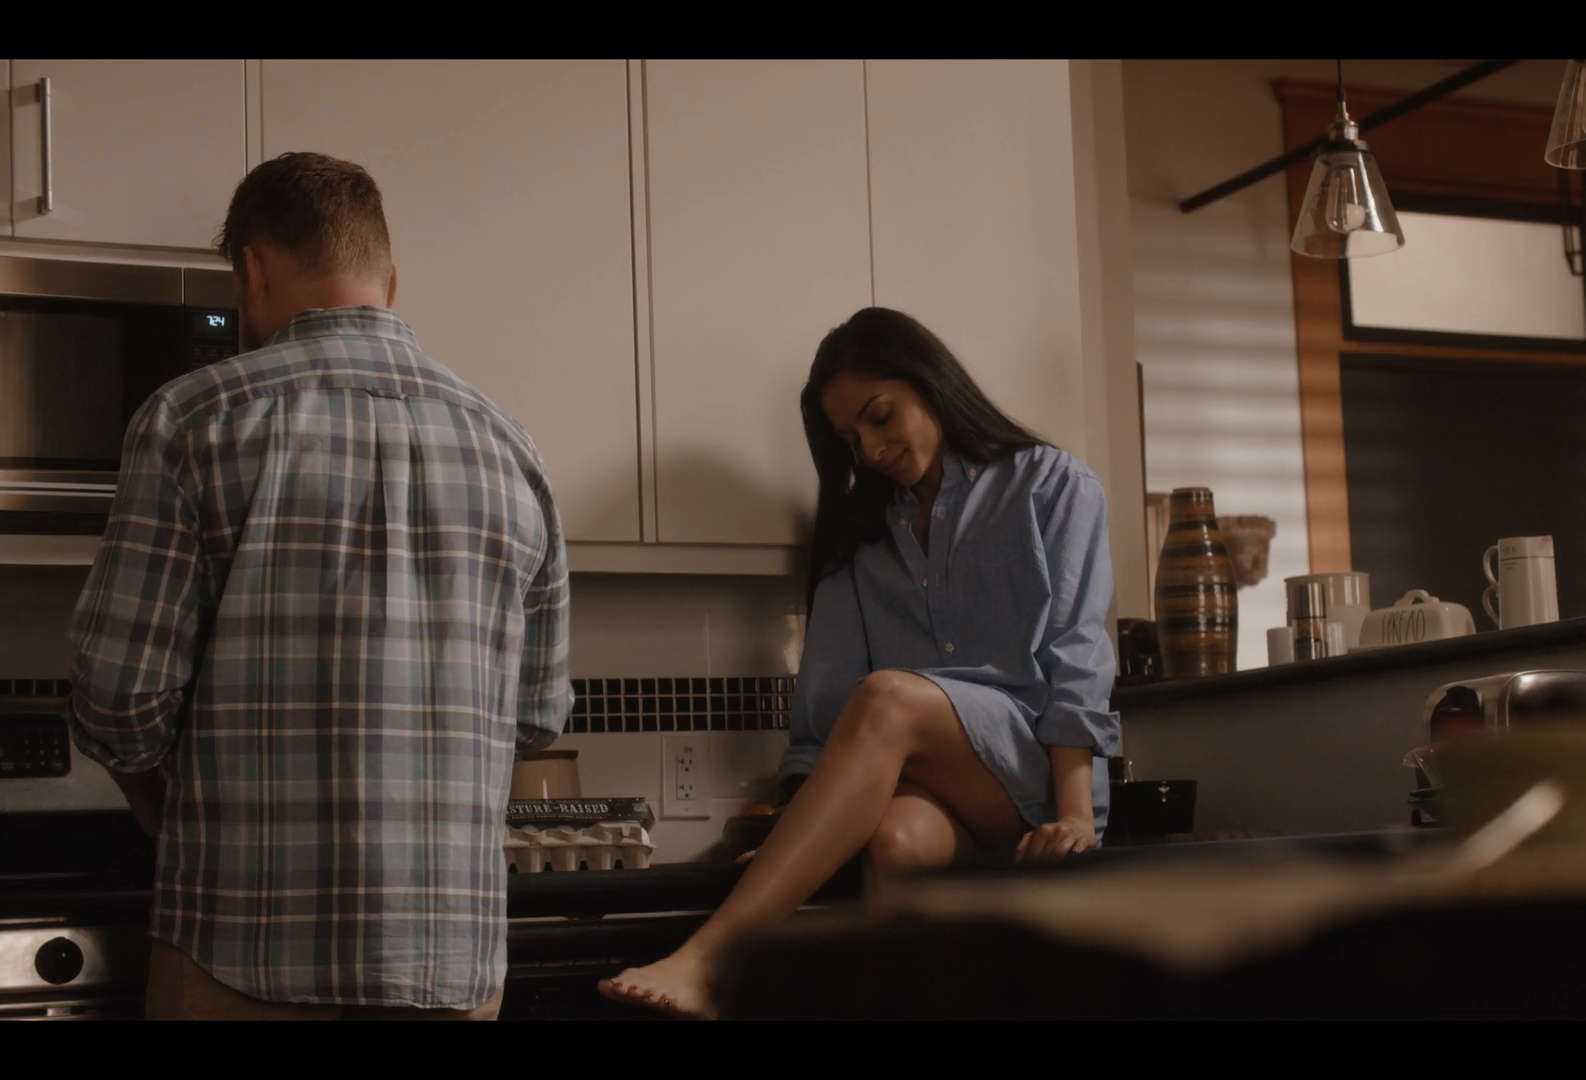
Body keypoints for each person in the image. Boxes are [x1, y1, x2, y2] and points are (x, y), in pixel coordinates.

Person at [64, 152, 570, 1020]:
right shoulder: (511, 448)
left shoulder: (193, 419)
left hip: (242, 949)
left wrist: (154, 802)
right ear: (390, 281)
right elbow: (537, 716)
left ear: (252, 271)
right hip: (448, 967)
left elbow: (119, 702)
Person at [601, 307, 1120, 1017]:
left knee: (888, 697)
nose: (872, 449)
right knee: (895, 843)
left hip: (1038, 781)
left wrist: (1075, 816)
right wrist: (800, 838)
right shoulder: (861, 535)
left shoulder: (1051, 484)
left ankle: (714, 959)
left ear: (930, 383)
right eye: (851, 438)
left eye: (880, 416)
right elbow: (824, 699)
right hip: (938, 795)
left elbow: (1077, 650)